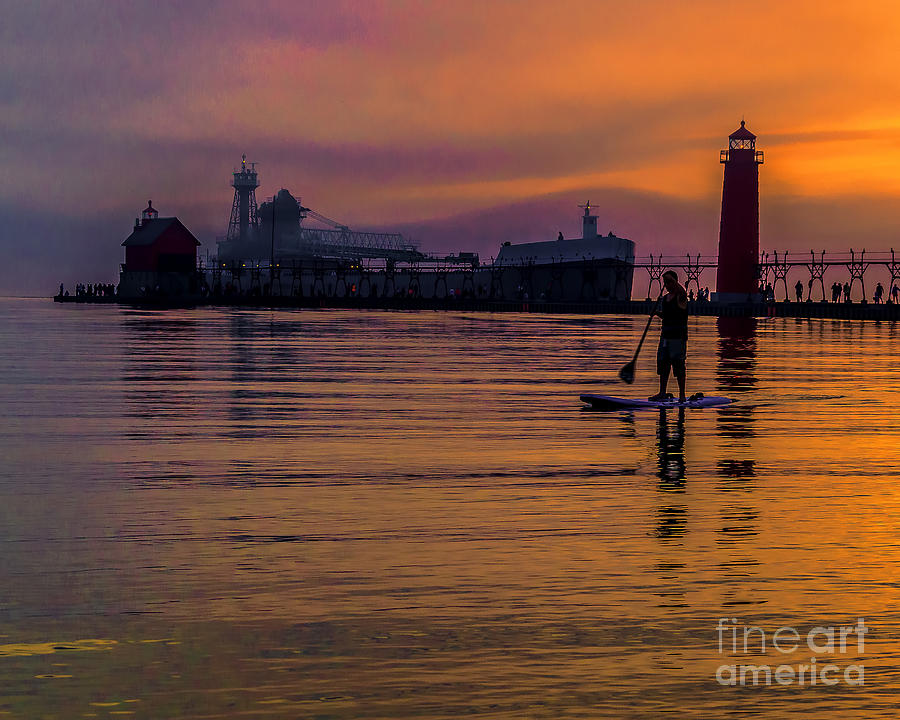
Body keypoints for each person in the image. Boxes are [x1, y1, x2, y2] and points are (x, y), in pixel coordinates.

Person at [649, 270, 689, 403]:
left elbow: (682, 292)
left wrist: (674, 281)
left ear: (676, 282)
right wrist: (657, 313)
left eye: (669, 281)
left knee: (678, 364)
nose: (667, 284)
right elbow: (666, 315)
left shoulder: (680, 296)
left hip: (678, 336)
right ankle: (662, 393)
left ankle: (682, 395)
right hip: (665, 335)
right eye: (665, 282)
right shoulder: (665, 298)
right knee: (663, 363)